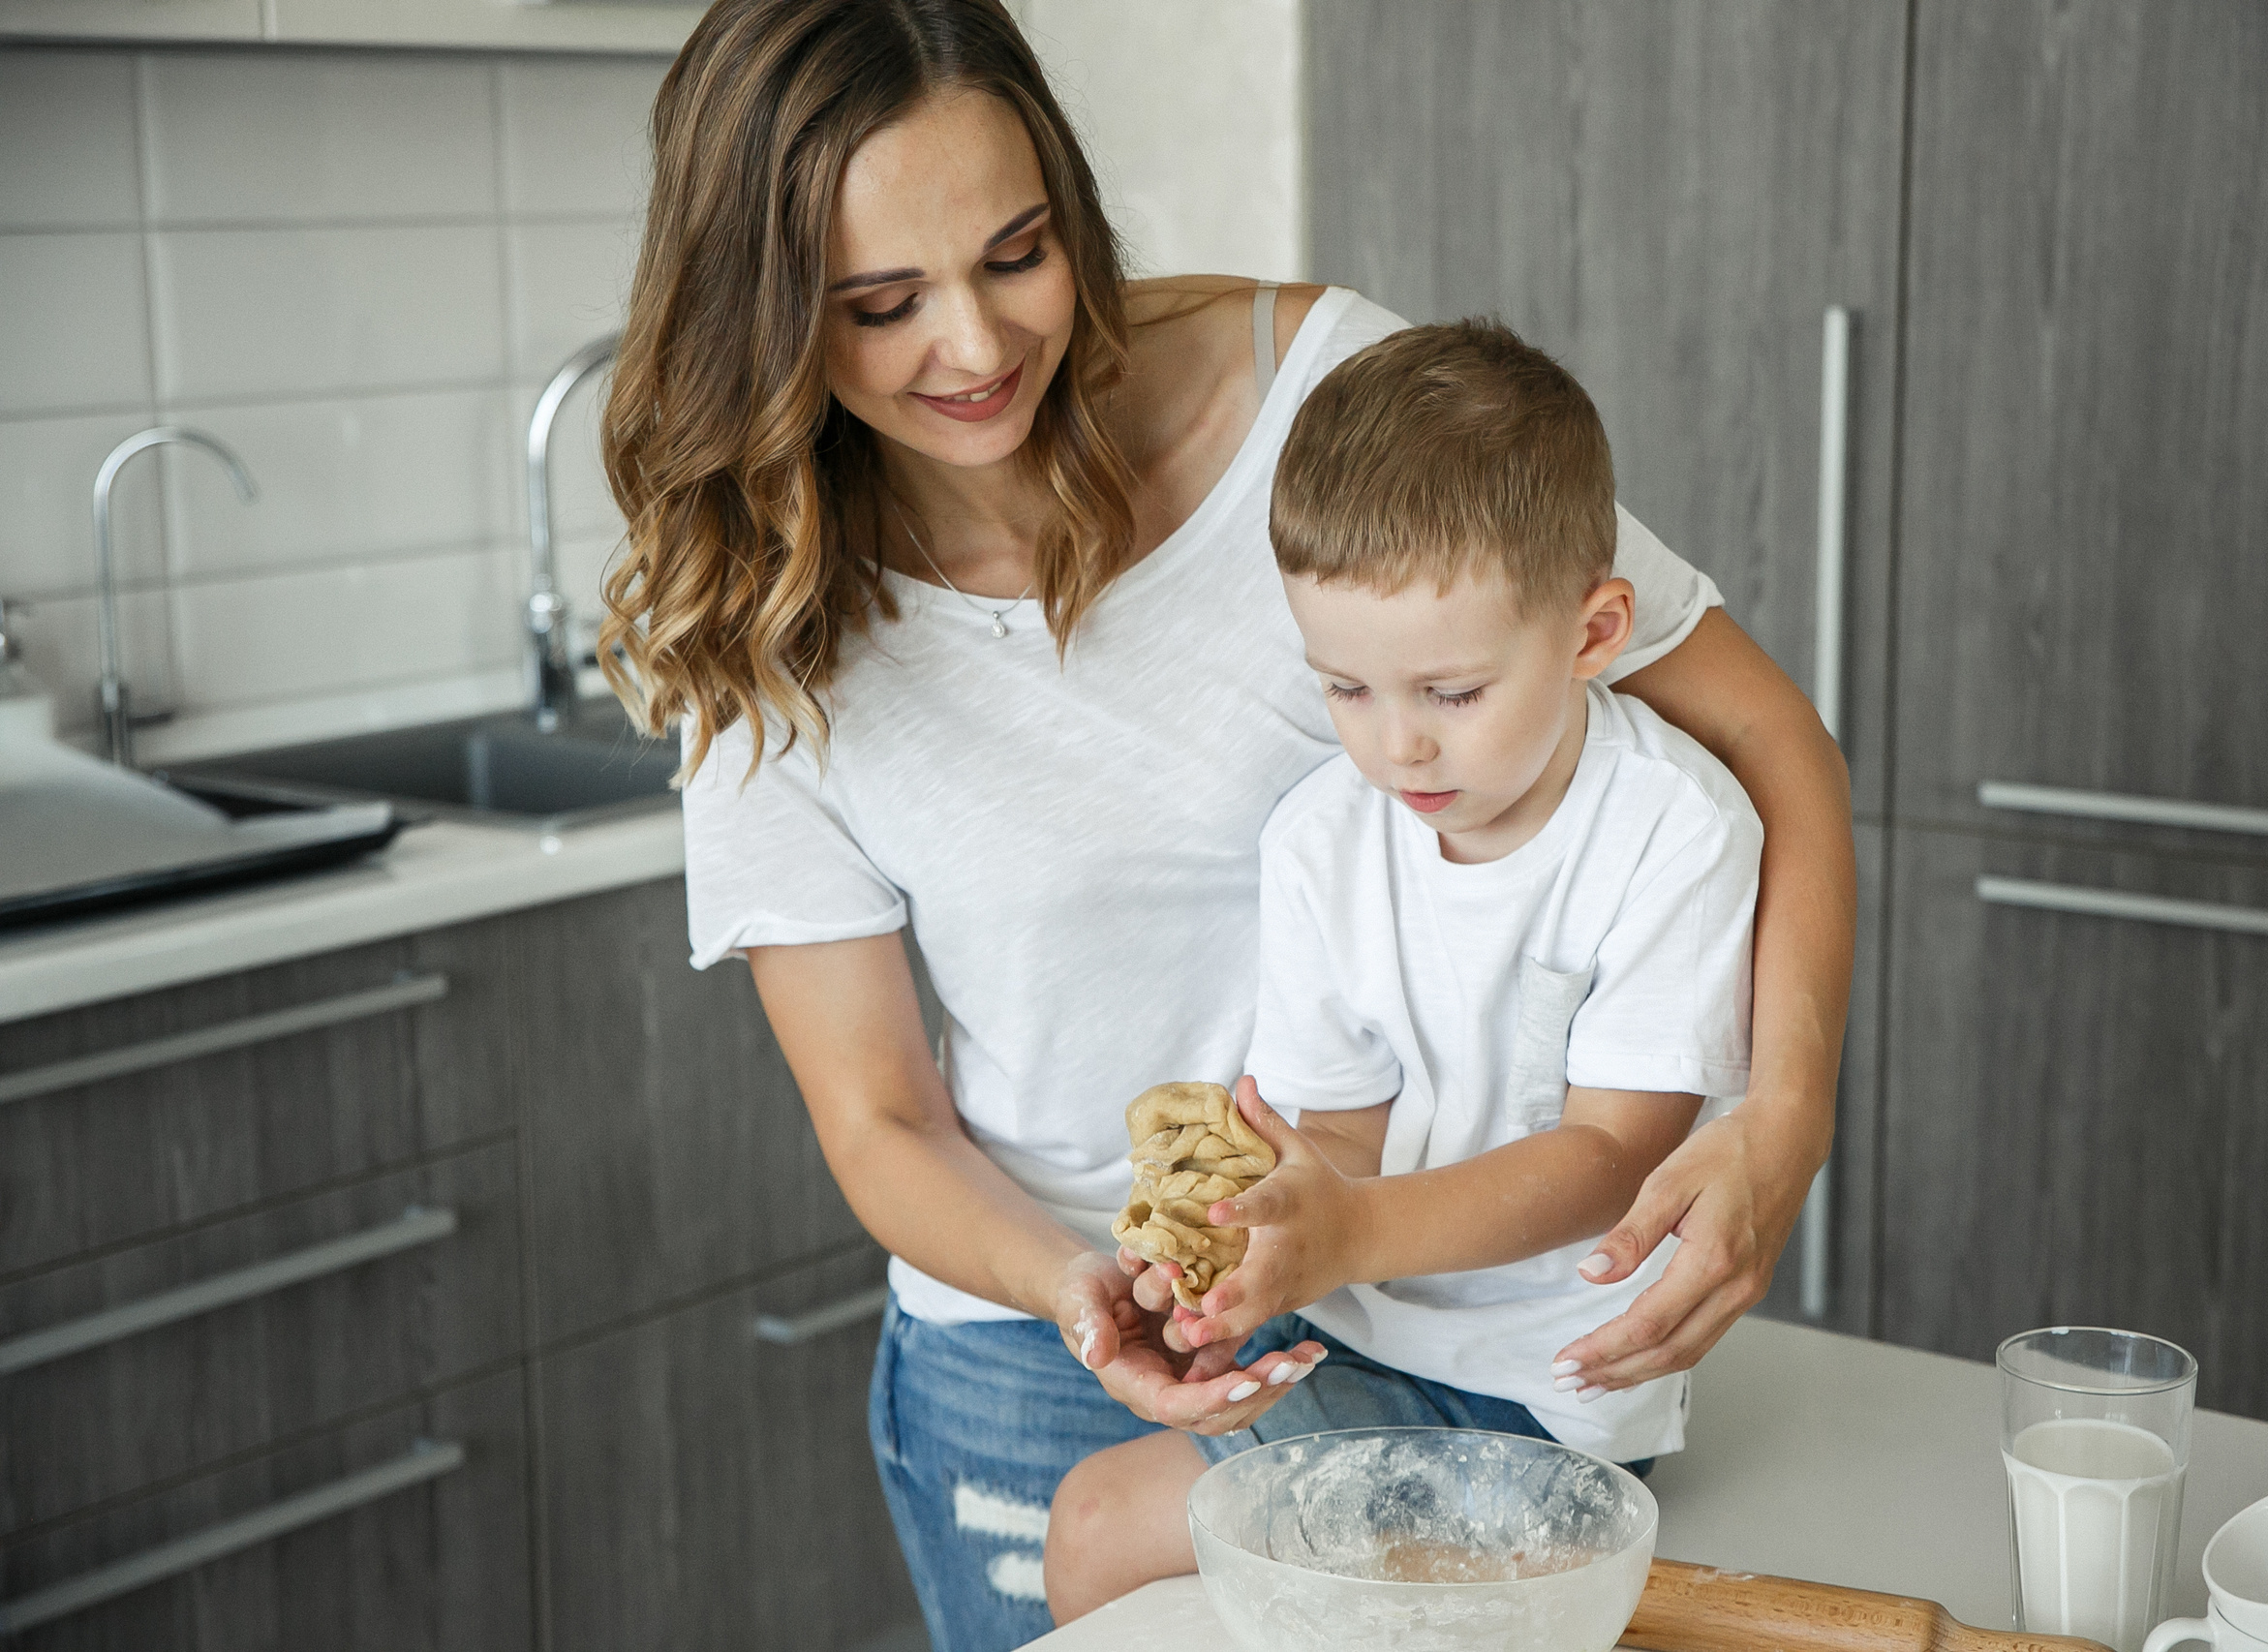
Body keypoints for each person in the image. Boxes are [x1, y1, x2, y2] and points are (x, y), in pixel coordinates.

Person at [599, 3, 1854, 1647]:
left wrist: (1786, 1120)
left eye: (1019, 253)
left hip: (1412, 1324)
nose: (975, 348)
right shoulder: (760, 616)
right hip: (1024, 1350)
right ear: (762, 324)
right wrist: (1076, 1290)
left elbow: (1768, 740)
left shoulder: (1327, 412)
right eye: (882, 305)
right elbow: (880, 1118)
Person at [1043, 319, 1763, 1621]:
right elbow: (1343, 1135)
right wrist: (1255, 1244)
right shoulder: (1324, 838)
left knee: (1103, 1528)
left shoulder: (1677, 826)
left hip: (1554, 1406)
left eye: (1451, 690)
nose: (1399, 749)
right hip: (1367, 1342)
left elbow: (1616, 1159)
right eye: (1347, 690)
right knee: (1102, 1517)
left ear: (1596, 628)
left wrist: (1354, 1232)